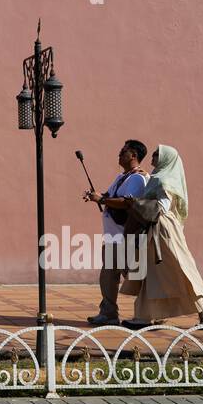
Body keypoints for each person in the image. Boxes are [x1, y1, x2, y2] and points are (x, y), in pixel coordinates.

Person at [118, 145, 203, 329]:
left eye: (157, 154)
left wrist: (136, 203)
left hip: (163, 229)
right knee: (151, 273)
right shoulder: (157, 177)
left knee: (177, 270)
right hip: (154, 229)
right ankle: (144, 316)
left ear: (166, 158)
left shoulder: (164, 180)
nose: (153, 157)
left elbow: (162, 207)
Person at [82, 139, 149, 326]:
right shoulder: (122, 177)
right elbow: (111, 197)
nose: (119, 154)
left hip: (126, 238)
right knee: (109, 276)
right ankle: (109, 313)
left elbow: (128, 202)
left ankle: (151, 311)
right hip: (114, 237)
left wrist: (102, 200)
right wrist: (97, 197)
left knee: (136, 277)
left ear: (134, 155)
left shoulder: (138, 178)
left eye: (123, 151)